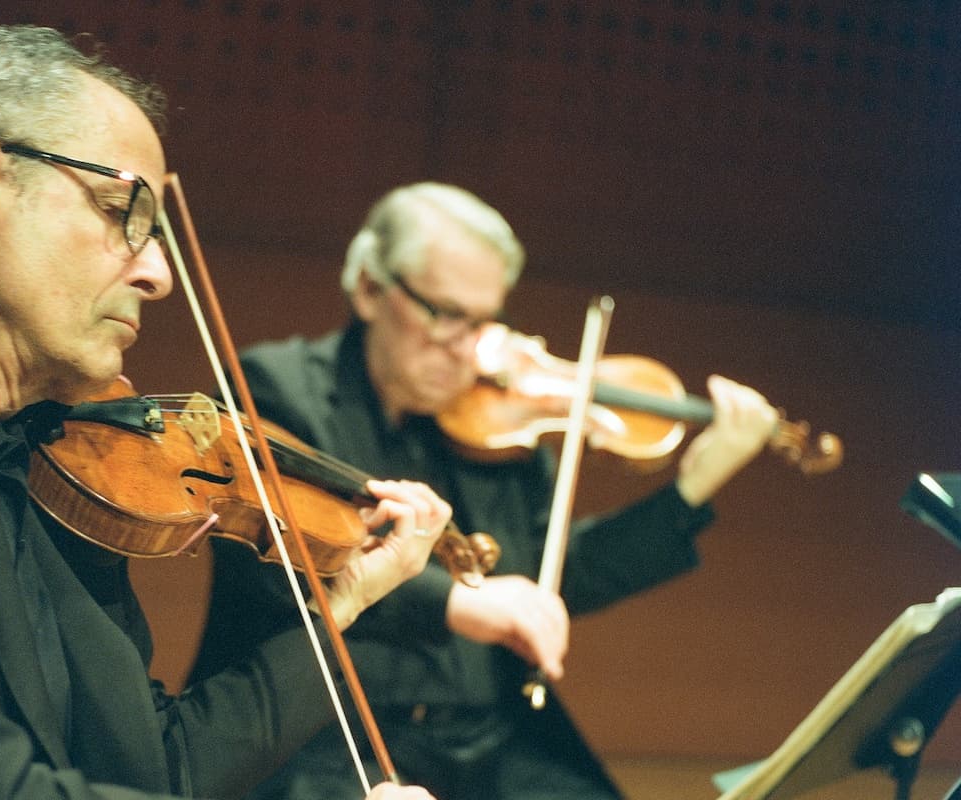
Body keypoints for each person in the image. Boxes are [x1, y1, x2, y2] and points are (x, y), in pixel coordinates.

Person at [0, 26, 448, 800]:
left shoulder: (58, 461)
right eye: (124, 211)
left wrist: (344, 598)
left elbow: (160, 766)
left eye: (158, 233)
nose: (157, 273)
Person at [189, 182, 779, 799]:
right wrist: (457, 602)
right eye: (445, 315)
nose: (470, 348)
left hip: (488, 739)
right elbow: (287, 550)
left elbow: (553, 577)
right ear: (370, 289)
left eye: (486, 320)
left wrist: (689, 490)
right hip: (323, 733)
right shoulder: (276, 389)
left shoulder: (500, 431)